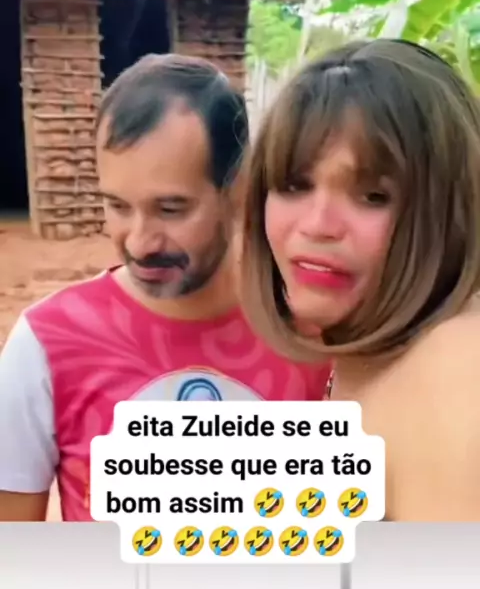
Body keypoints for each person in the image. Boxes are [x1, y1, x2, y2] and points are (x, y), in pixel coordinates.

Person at [0, 54, 331, 522]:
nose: (140, 242)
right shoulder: (46, 344)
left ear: (238, 190)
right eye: (118, 206)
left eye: (171, 210)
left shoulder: (309, 335)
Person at [241, 39, 480, 521]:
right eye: (294, 185)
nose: (318, 225)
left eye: (372, 196)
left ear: (447, 212)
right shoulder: (365, 357)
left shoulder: (458, 367)